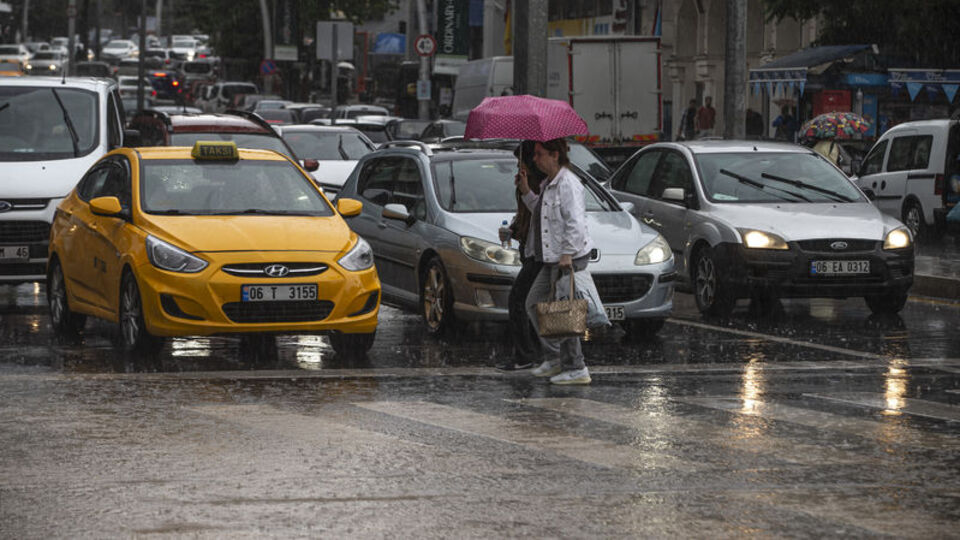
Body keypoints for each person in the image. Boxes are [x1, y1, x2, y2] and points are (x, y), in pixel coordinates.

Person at [520, 139, 595, 385]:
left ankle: (576, 367)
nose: (535, 158)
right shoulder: (548, 184)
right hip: (551, 259)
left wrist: (567, 254)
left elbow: (576, 222)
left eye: (539, 154)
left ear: (555, 155)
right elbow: (542, 215)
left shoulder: (567, 184)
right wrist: (526, 192)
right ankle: (555, 358)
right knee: (535, 303)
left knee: (565, 312)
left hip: (565, 259)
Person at [497, 141, 546, 371]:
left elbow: (540, 215)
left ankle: (526, 355)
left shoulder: (543, 185)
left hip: (539, 253)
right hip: (529, 249)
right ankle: (535, 354)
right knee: (529, 303)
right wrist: (514, 230)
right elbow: (526, 216)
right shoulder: (527, 185)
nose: (519, 165)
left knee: (519, 301)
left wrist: (526, 189)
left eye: (521, 161)